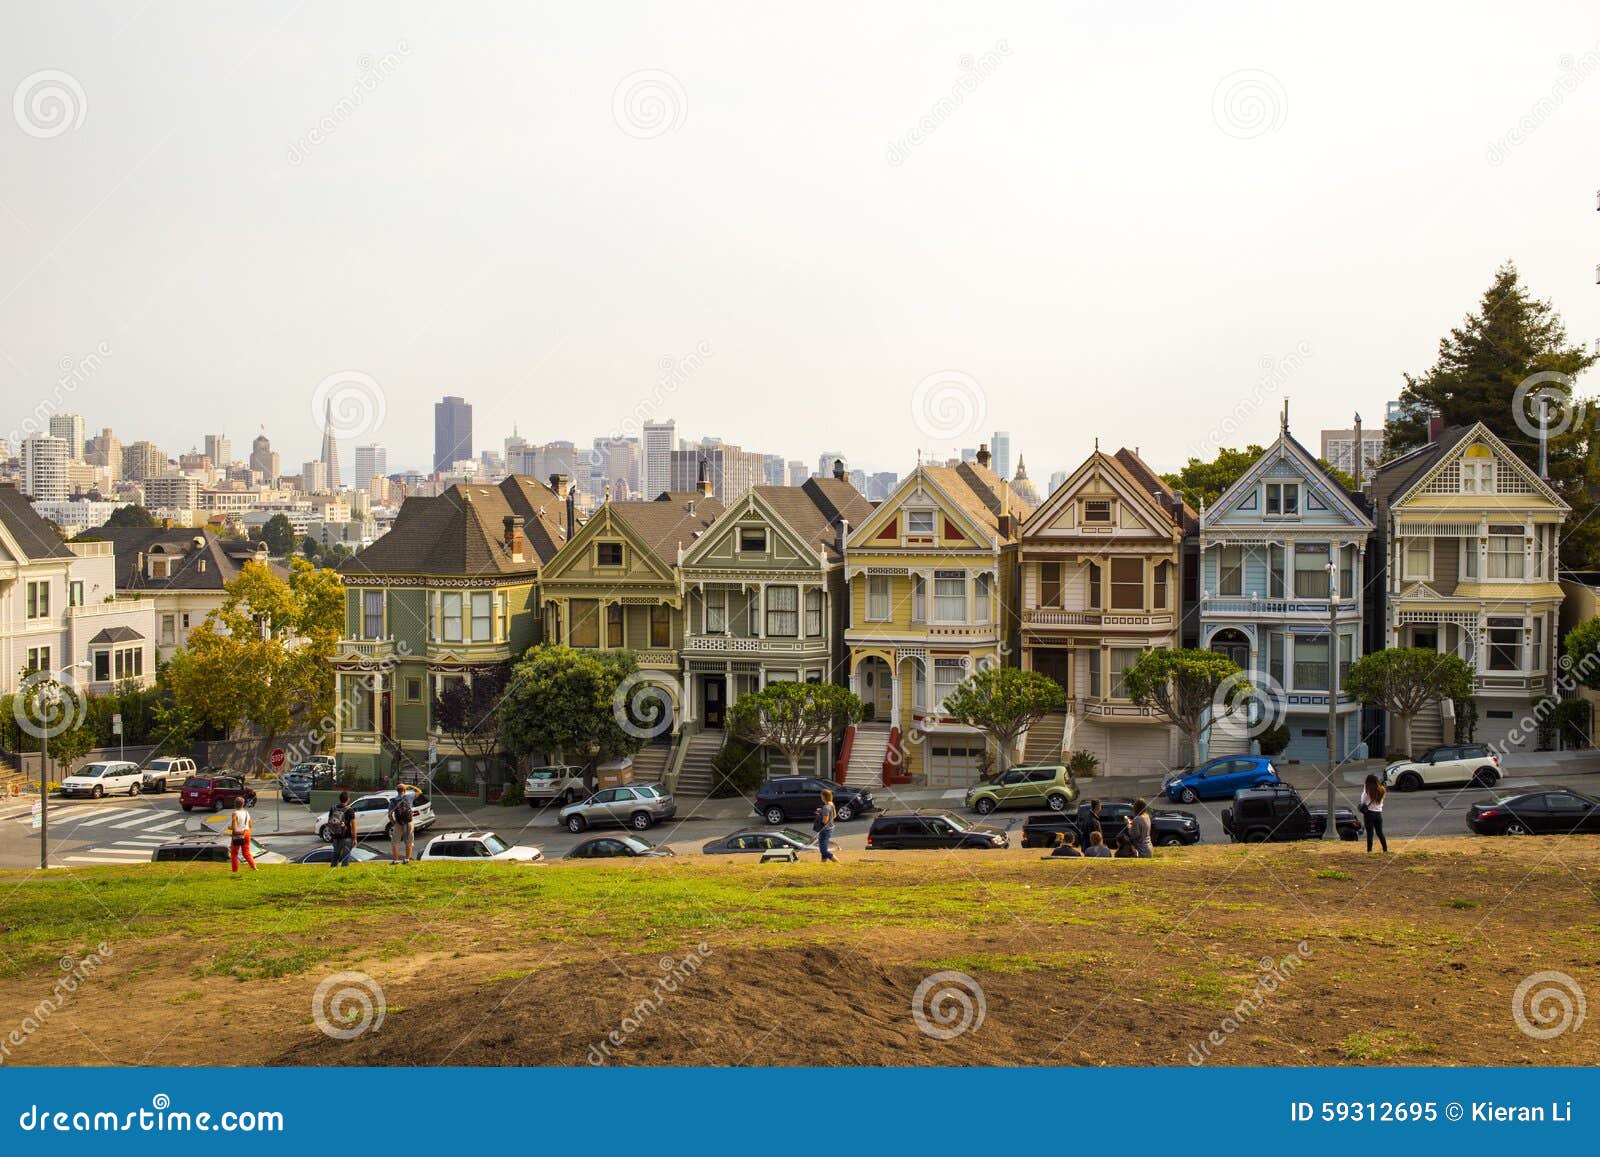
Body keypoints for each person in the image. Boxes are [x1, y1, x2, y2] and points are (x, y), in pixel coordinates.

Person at [1360, 774, 1389, 853]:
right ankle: (1385, 849)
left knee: (1370, 833)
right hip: (1378, 814)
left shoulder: (1367, 792)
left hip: (1369, 813)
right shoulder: (1382, 790)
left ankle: (1369, 850)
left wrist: (1364, 788)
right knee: (1380, 832)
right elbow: (1381, 802)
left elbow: (1362, 802)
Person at [227, 797, 257, 873]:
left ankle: (235, 870)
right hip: (246, 832)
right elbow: (250, 825)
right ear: (243, 804)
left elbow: (234, 827)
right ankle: (254, 866)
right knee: (246, 852)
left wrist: (229, 827)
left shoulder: (235, 813)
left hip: (238, 834)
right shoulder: (246, 812)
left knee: (234, 853)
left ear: (235, 804)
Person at [329, 790, 357, 868]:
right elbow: (354, 825)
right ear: (348, 799)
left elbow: (330, 822)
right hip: (347, 837)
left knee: (335, 856)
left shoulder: (333, 808)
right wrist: (354, 838)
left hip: (335, 836)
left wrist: (332, 834)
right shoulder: (350, 810)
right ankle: (343, 874)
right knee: (345, 858)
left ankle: (333, 872)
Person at [388, 790, 415, 864]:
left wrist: (394, 823)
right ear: (404, 790)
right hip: (409, 822)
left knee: (395, 842)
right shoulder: (409, 797)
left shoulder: (393, 801)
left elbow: (390, 815)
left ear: (397, 791)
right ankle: (407, 859)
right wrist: (409, 786)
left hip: (398, 823)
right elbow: (419, 791)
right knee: (409, 841)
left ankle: (396, 860)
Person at [815, 788, 839, 863]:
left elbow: (825, 820)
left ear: (824, 797)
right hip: (830, 829)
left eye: (821, 796)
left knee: (823, 850)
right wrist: (821, 811)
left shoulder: (826, 807)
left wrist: (820, 814)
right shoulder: (831, 804)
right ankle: (823, 865)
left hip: (824, 830)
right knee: (824, 848)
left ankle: (838, 862)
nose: (821, 797)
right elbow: (835, 815)